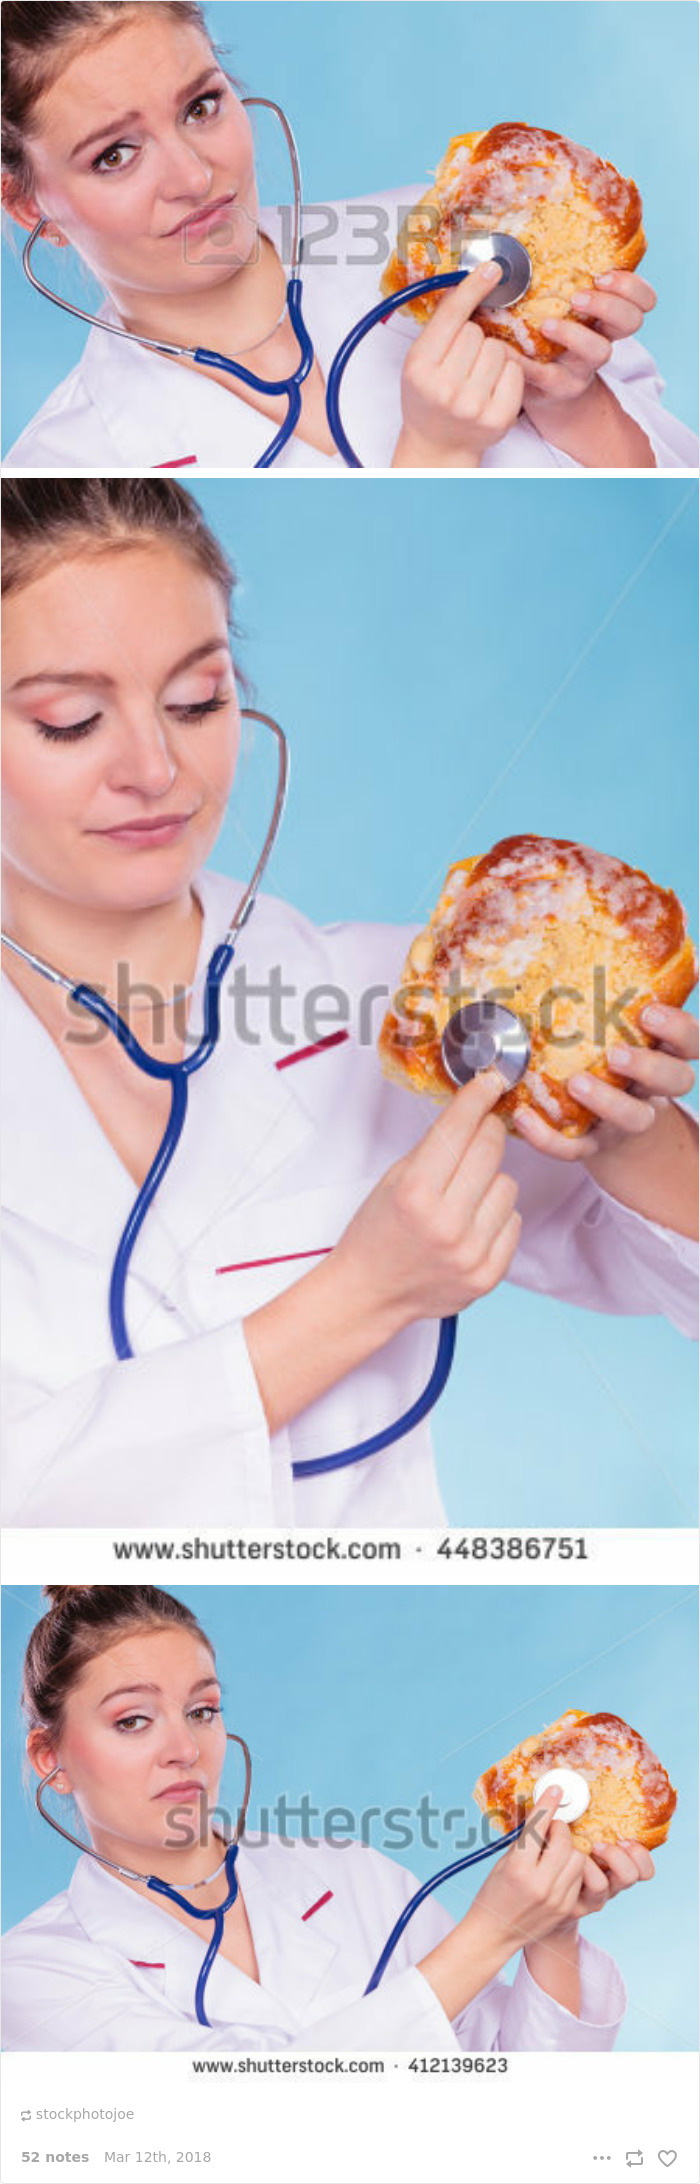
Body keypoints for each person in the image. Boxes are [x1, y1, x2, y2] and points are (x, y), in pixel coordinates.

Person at [2, 477, 697, 1528]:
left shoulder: (403, 1009)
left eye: (198, 701)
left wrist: (630, 1134)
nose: (156, 768)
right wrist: (365, 1292)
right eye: (71, 721)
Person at [1, 1, 696, 471]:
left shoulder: (449, 235)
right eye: (114, 155)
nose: (193, 174)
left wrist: (572, 403)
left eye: (201, 106)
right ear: (30, 208)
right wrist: (436, 453)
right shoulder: (65, 463)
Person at [3, 1584, 655, 2053]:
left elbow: (528, 2101)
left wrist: (549, 1932)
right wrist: (491, 1933)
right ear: (49, 1756)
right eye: (133, 1720)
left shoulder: (349, 1873)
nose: (184, 1748)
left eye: (202, 1710)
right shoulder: (34, 1973)